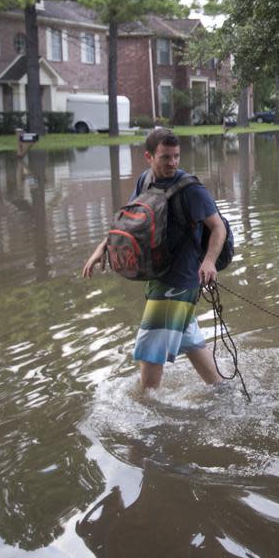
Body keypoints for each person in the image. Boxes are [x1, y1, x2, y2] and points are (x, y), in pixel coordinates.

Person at [82, 128, 227, 390]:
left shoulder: (192, 190)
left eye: (176, 156)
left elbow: (218, 227)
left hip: (179, 279)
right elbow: (129, 223)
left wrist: (208, 262)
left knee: (149, 352)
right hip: (158, 275)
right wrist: (102, 248)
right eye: (165, 157)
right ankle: (222, 390)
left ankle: (146, 410)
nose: (172, 163)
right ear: (149, 156)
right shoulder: (144, 181)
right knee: (190, 341)